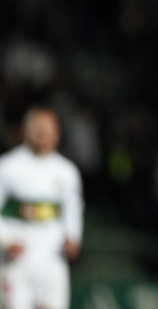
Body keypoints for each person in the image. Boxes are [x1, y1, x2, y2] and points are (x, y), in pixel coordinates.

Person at [0, 107, 84, 309]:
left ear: (57, 132)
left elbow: (72, 210)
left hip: (52, 257)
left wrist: (73, 237)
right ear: (24, 130)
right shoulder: (7, 167)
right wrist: (6, 241)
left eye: (48, 127)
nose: (43, 132)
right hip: (17, 258)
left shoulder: (67, 171)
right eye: (37, 127)